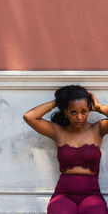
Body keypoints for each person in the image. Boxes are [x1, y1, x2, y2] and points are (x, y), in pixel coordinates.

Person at [23, 85, 108, 214]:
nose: (79, 117)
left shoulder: (98, 129)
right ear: (65, 112)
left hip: (92, 194)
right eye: (73, 112)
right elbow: (29, 117)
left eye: (83, 111)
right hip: (63, 195)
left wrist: (99, 107)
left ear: (89, 110)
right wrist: (58, 102)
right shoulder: (58, 131)